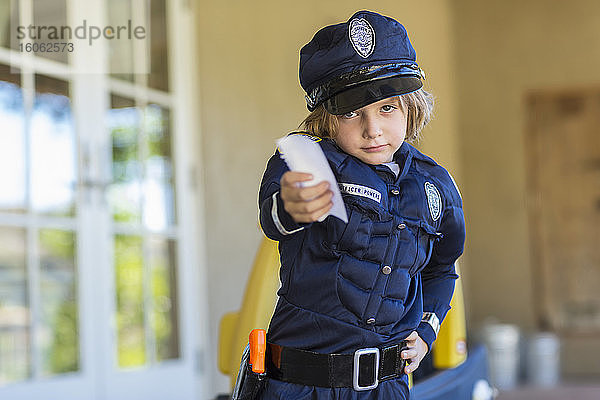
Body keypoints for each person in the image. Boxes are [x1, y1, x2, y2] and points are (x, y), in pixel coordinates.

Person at [257, 10, 465, 399]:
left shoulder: (436, 184)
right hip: (299, 386)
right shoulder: (307, 160)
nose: (373, 129)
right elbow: (274, 217)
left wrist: (426, 331)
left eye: (387, 108)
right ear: (327, 118)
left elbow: (442, 269)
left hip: (387, 388)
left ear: (411, 107)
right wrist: (291, 204)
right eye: (352, 112)